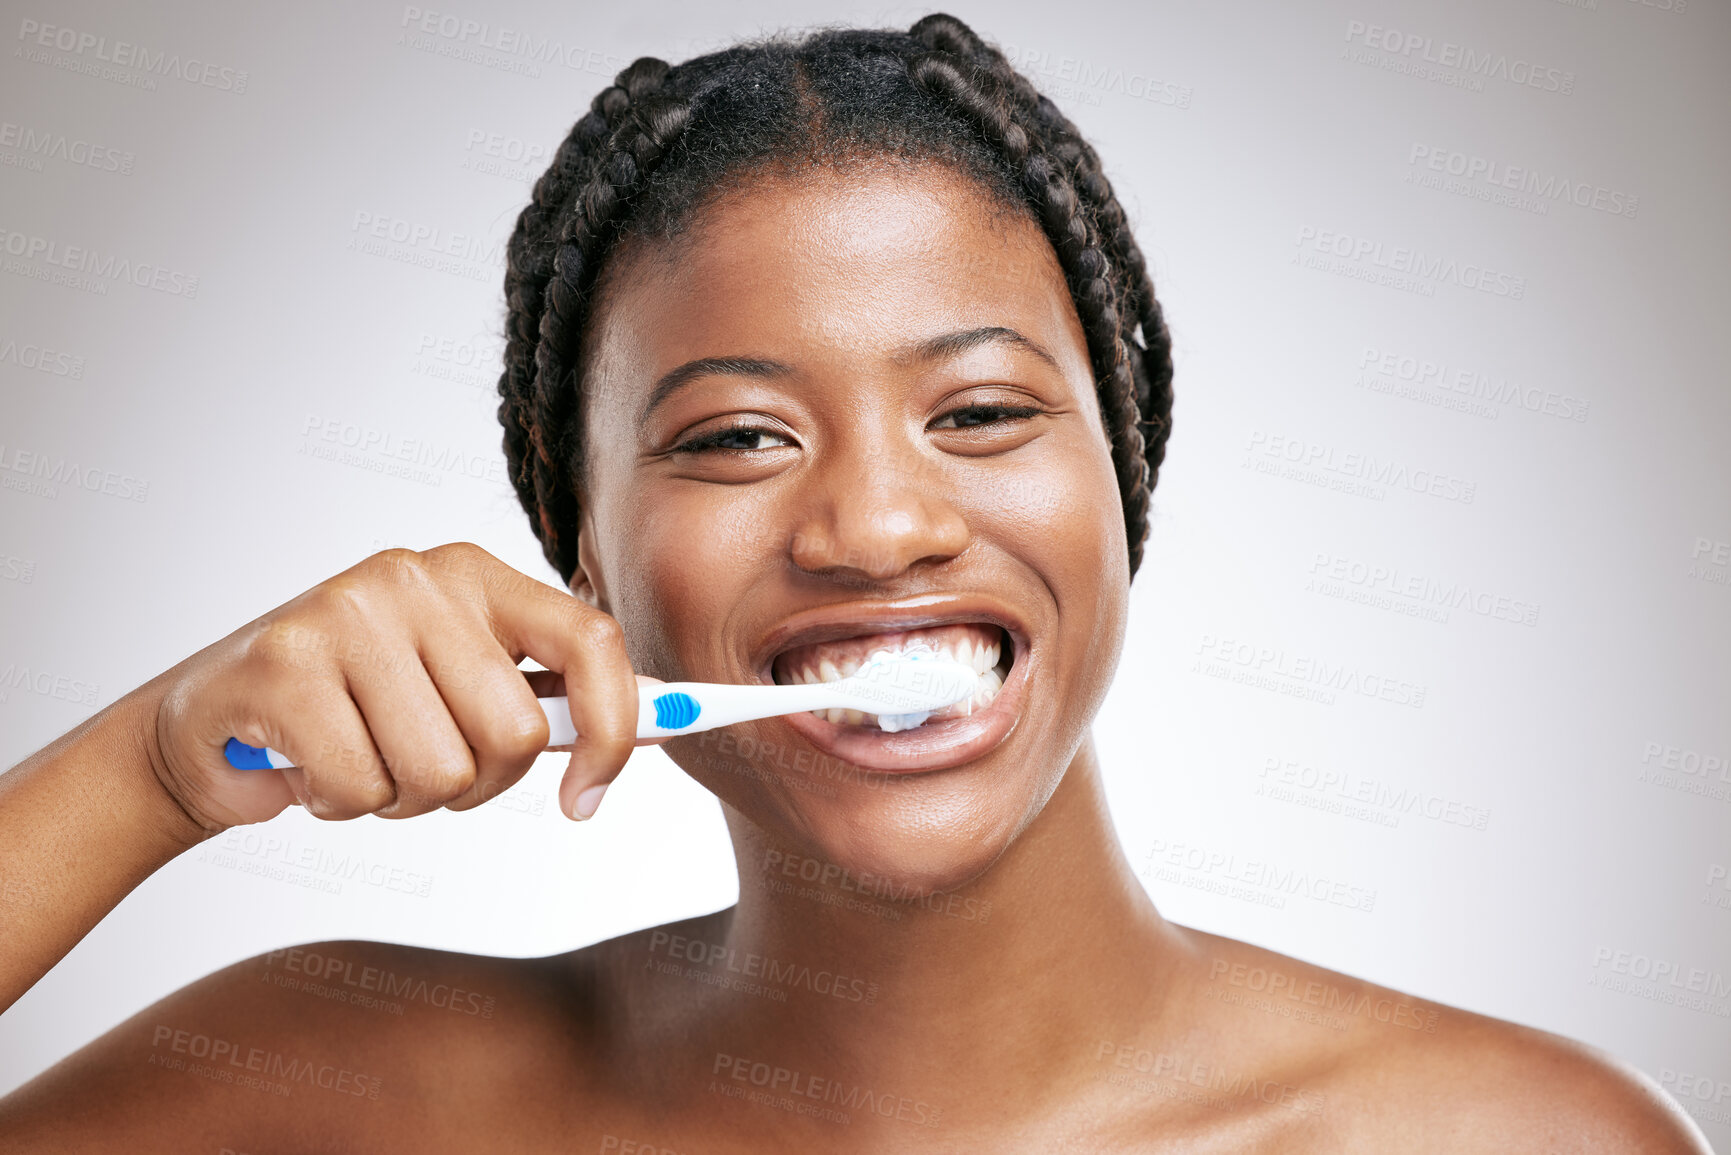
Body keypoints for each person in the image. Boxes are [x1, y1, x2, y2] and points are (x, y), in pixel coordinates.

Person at [0, 14, 1711, 1152]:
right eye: (736, 439)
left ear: (1125, 485)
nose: (878, 525)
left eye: (978, 412)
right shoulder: (331, 1091)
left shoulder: (1509, 1138)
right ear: (585, 563)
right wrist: (153, 772)